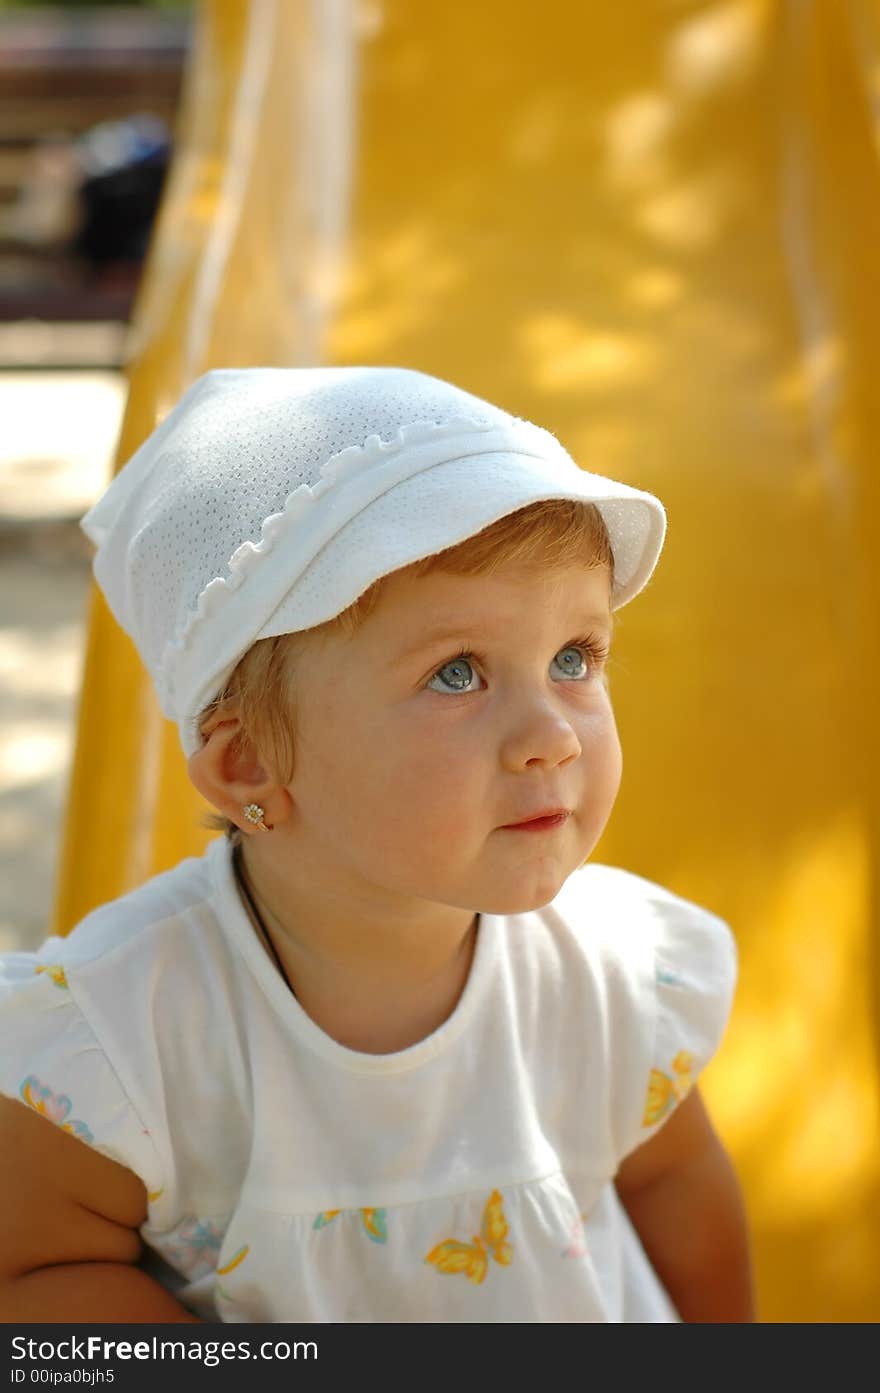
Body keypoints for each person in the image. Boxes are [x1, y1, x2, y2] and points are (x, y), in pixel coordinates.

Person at [0, 367, 754, 1323]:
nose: (555, 734)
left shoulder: (606, 976)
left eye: (575, 657)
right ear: (250, 769)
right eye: (457, 673)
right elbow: (35, 1269)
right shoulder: (129, 1035)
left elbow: (676, 1179)